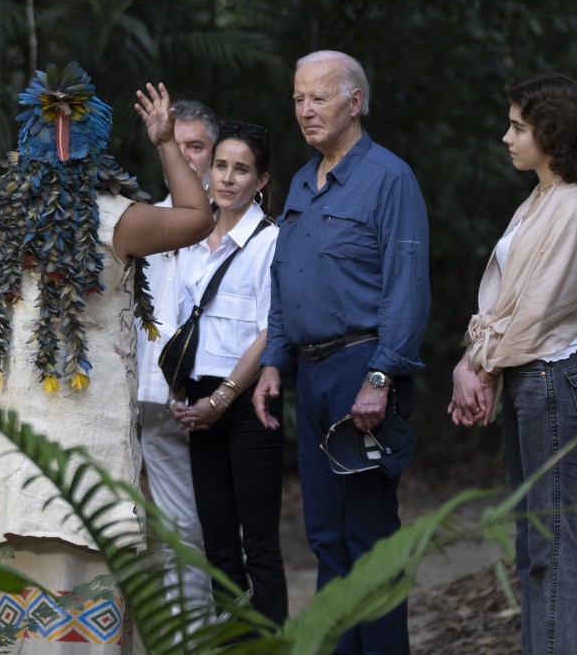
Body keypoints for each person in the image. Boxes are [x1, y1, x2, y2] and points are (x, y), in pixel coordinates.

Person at [0, 64, 214, 654]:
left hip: (6, 458)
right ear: (95, 153)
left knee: (16, 628)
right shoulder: (115, 221)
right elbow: (198, 217)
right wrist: (167, 143)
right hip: (85, 463)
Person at [253, 50, 430, 654]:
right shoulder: (303, 181)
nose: (305, 111)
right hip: (313, 372)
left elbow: (407, 289)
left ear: (354, 102)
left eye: (319, 97)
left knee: (370, 537)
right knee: (325, 535)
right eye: (299, 98)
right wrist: (274, 359)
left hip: (364, 367)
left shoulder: (389, 178)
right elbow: (285, 281)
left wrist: (381, 377)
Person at [448, 73, 577, 655]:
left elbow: (538, 311)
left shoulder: (573, 203)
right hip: (528, 376)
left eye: (518, 126)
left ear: (551, 132)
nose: (506, 137)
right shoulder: (540, 197)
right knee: (534, 540)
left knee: (552, 541)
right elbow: (507, 306)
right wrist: (475, 363)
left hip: (550, 376)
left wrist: (479, 364)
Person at [170, 120, 285, 624]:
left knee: (258, 541)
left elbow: (269, 331)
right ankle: (233, 640)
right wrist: (185, 392)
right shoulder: (189, 235)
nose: (228, 178)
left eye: (242, 170)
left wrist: (222, 399)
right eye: (221, 166)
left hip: (246, 401)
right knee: (217, 542)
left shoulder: (269, 240)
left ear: (261, 181)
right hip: (198, 399)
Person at [136, 99, 219, 619]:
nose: (187, 158)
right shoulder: (146, 220)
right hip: (150, 398)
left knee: (208, 525)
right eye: (177, 145)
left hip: (212, 396)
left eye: (197, 147)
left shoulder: (234, 221)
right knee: (167, 528)